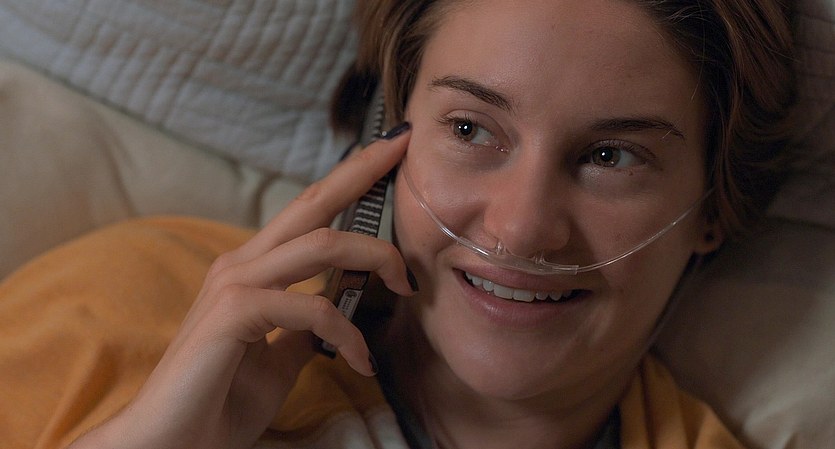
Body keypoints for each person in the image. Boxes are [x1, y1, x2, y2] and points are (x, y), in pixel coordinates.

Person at [58, 0, 795, 448]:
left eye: (611, 155)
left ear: (713, 203)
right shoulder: (119, 307)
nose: (519, 229)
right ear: (386, 130)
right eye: (470, 129)